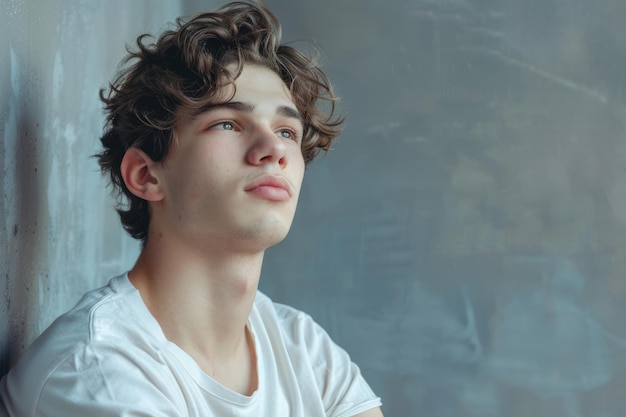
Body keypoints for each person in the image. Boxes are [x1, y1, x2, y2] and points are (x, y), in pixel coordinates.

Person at [0, 1, 383, 416]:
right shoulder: (96, 370)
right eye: (228, 124)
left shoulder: (303, 350)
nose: (274, 149)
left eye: (286, 130)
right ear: (146, 175)